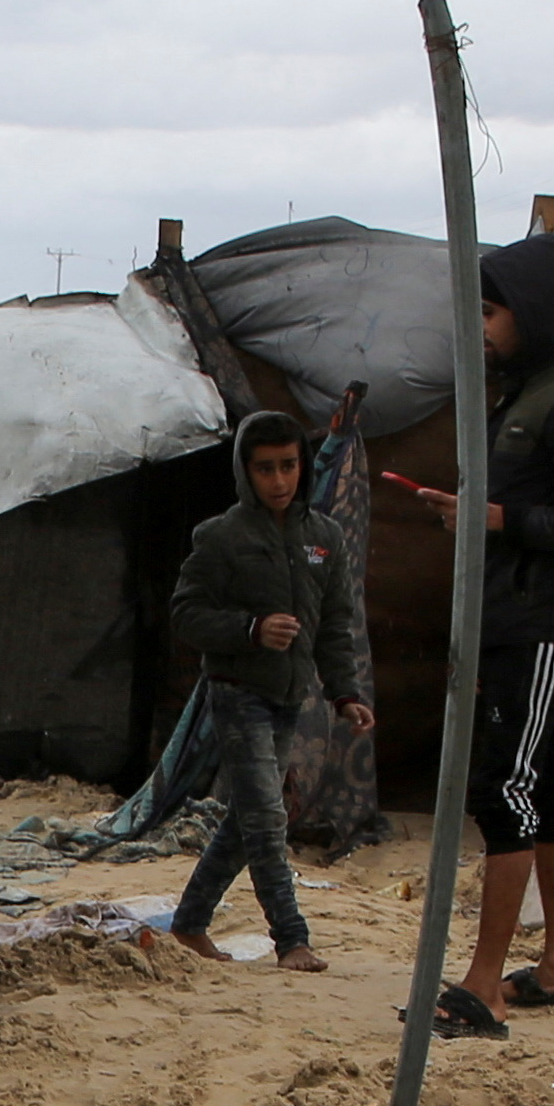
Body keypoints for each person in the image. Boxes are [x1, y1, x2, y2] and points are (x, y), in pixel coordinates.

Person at [384, 236, 554, 1034]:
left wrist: (494, 518)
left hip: (539, 622)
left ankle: (483, 982)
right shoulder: (528, 389)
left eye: (492, 311)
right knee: (546, 779)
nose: (483, 326)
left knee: (507, 786)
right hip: (512, 616)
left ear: (531, 313)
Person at [162, 408, 373, 971]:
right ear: (244, 472)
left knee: (250, 815)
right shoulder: (221, 537)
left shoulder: (323, 538)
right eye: (265, 470)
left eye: (288, 467)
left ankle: (187, 924)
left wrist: (346, 693)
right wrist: (250, 630)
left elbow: (335, 623)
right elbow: (185, 613)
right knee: (266, 816)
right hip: (236, 692)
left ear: (303, 466)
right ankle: (291, 937)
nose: (279, 481)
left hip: (288, 698)